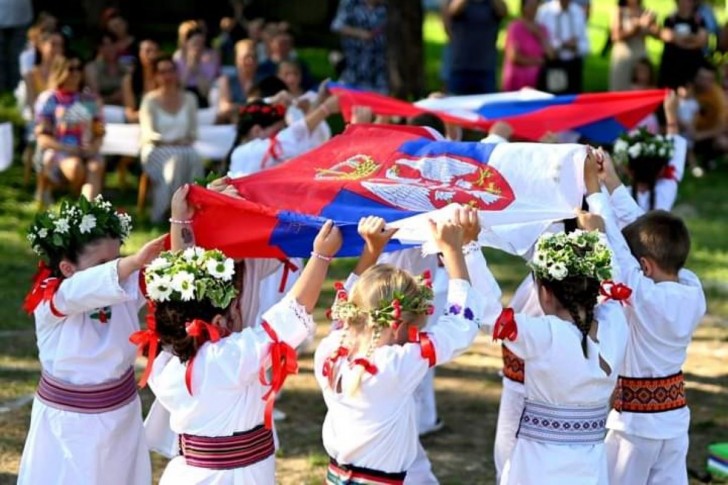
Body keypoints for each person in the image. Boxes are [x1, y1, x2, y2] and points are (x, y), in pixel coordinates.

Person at [140, 199, 342, 484]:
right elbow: (292, 314)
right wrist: (321, 257)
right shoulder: (228, 358)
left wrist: (180, 220)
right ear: (220, 322)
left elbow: (182, 289)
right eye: (233, 309)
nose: (239, 313)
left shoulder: (164, 363)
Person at [482, 153, 630, 484]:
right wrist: (596, 199)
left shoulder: (544, 335)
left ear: (544, 294)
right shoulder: (616, 323)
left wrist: (462, 249)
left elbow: (489, 315)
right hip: (590, 472)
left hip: (535, 471)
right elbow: (615, 267)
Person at [316, 208, 488, 484]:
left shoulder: (331, 347)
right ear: (398, 327)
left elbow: (344, 308)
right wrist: (455, 252)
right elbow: (460, 325)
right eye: (416, 328)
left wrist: (372, 251)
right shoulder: (396, 364)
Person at [18, 195, 164, 485]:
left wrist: (187, 215)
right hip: (68, 425)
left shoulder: (123, 285)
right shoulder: (51, 301)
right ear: (67, 269)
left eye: (117, 257)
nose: (117, 267)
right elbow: (81, 292)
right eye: (103, 263)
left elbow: (169, 271)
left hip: (121, 415)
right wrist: (131, 262)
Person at [596, 151, 707, 485]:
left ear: (644, 267)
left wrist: (595, 193)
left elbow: (618, 246)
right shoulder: (692, 288)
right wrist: (612, 180)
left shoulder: (644, 295)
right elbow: (645, 235)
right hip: (674, 422)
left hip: (634, 427)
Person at [34, 53, 106, 206]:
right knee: (75, 168)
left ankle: (87, 212)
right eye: (70, 68)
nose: (75, 73)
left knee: (95, 166)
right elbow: (42, 136)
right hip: (59, 149)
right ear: (60, 70)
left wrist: (94, 147)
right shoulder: (49, 99)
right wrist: (67, 148)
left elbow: (99, 130)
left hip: (87, 150)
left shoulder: (88, 99)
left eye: (78, 68)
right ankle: (67, 198)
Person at [139, 55, 203, 223]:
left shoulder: (190, 98)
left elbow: (193, 132)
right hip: (156, 148)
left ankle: (195, 209)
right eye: (162, 72)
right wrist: (169, 142)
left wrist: (182, 141)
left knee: (194, 158)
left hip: (183, 146)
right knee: (174, 163)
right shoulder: (149, 100)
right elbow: (148, 133)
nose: (167, 76)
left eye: (170, 70)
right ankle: (165, 211)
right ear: (155, 76)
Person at [226, 92, 339, 177]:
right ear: (256, 131)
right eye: (278, 131)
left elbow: (304, 144)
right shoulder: (245, 153)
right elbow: (290, 139)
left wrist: (313, 107)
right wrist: (325, 109)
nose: (280, 134)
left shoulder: (242, 152)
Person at [445, 0, 507, 94]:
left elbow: (503, 11)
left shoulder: (492, 4)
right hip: (461, 68)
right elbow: (453, 10)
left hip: (486, 68)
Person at [331, 0, 388, 93]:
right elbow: (337, 26)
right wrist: (361, 34)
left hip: (379, 70)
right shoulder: (350, 3)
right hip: (354, 67)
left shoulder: (387, 6)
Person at [537, 0, 590, 94]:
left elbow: (586, 45)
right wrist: (562, 45)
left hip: (573, 66)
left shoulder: (577, 12)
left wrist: (576, 47)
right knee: (555, 100)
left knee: (573, 101)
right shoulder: (545, 12)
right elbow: (539, 41)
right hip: (554, 65)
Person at [502, 0, 552, 92]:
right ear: (523, 7)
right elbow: (514, 56)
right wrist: (536, 61)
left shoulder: (542, 29)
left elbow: (551, 55)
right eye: (530, 5)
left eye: (535, 5)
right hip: (517, 82)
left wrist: (540, 36)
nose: (533, 8)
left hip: (538, 83)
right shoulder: (515, 27)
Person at [657, 0, 707, 89]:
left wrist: (679, 39)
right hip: (671, 69)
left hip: (691, 69)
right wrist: (691, 39)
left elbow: (702, 41)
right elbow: (667, 36)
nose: (686, 3)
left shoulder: (699, 21)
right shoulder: (670, 19)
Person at [609, 0, 655, 92]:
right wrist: (637, 26)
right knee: (620, 91)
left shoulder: (644, 11)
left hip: (640, 57)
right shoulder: (620, 11)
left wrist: (652, 24)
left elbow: (656, 33)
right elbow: (616, 36)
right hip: (624, 58)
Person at [689, 61, 728, 166]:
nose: (705, 82)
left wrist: (699, 136)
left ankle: (710, 158)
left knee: (722, 142)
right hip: (689, 130)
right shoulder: (688, 91)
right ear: (695, 77)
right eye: (702, 78)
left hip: (709, 136)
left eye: (709, 79)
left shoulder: (718, 97)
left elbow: (721, 126)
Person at [175, 24, 220, 108]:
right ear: (186, 43)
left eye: (201, 43)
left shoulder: (211, 57)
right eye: (195, 43)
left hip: (204, 98)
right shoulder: (178, 57)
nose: (198, 47)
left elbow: (205, 92)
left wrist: (197, 69)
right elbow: (179, 88)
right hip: (183, 97)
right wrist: (189, 66)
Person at [217, 39, 263, 121]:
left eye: (254, 57)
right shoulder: (226, 80)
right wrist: (250, 107)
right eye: (246, 57)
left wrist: (236, 107)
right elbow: (224, 107)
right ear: (237, 59)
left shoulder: (264, 80)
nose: (250, 61)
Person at [23, 30, 64, 111]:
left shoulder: (68, 72)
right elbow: (31, 104)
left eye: (61, 45)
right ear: (41, 46)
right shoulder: (31, 74)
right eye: (53, 44)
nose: (57, 49)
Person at [122, 39, 159, 123]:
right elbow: (130, 113)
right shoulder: (129, 80)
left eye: (155, 51)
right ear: (139, 53)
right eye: (148, 51)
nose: (152, 55)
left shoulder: (164, 78)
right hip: (138, 122)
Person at [85, 31, 127, 106]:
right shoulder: (91, 68)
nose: (110, 48)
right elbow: (94, 95)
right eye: (105, 45)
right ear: (99, 48)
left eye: (113, 44)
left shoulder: (125, 66)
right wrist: (111, 98)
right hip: (102, 107)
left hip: (126, 106)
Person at [0, 0, 32, 91]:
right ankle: (15, 86)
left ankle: (16, 86)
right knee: (18, 55)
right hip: (21, 13)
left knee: (18, 55)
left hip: (21, 13)